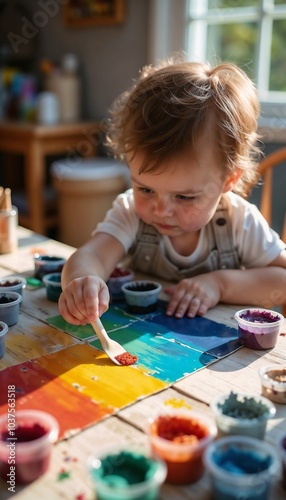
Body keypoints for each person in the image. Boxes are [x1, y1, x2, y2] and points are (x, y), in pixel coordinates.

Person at [59, 57, 286, 326]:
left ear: (228, 180)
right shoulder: (131, 211)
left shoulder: (240, 222)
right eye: (145, 188)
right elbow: (92, 255)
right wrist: (84, 281)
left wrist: (220, 285)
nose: (161, 209)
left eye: (184, 197)